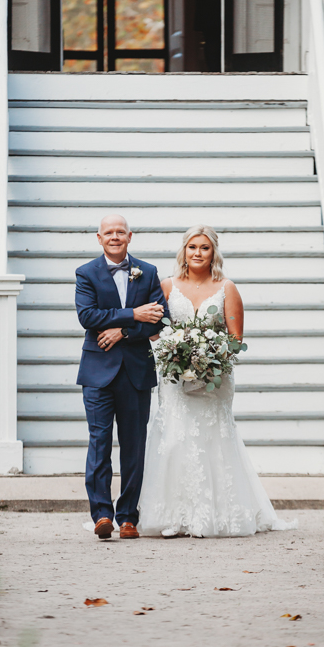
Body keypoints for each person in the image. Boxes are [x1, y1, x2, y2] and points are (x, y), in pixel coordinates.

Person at [137, 225, 296, 538]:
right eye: (192, 247)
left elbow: (236, 339)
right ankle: (175, 516)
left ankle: (218, 514)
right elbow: (155, 331)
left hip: (215, 380)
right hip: (174, 378)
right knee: (175, 439)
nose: (198, 253)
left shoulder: (227, 287)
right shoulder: (166, 286)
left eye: (204, 248)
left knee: (214, 439)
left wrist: (209, 355)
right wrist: (176, 350)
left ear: (214, 253)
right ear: (184, 250)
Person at [76, 214, 167, 540]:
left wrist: (122, 332)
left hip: (136, 372)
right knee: (99, 444)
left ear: (129, 236)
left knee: (134, 447)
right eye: (108, 232)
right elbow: (87, 316)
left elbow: (159, 320)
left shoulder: (148, 272)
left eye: (120, 232)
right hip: (97, 373)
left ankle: (128, 516)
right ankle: (102, 514)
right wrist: (133, 314)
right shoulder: (86, 273)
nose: (114, 237)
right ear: (99, 238)